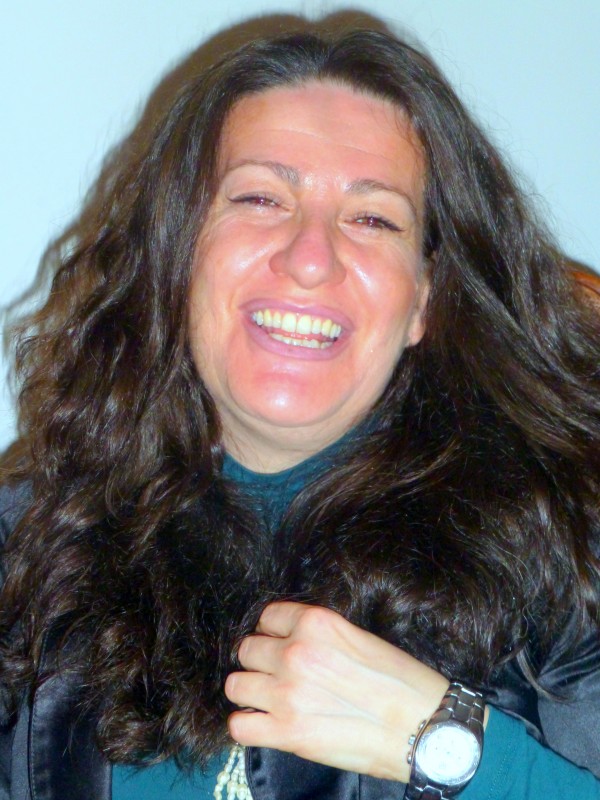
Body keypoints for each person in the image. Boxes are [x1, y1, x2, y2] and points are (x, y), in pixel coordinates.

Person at [1, 23, 600, 800]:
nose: (310, 258)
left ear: (425, 300)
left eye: (373, 218)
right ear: (179, 254)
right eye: (261, 198)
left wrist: (446, 745)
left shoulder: (568, 540)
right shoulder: (35, 542)